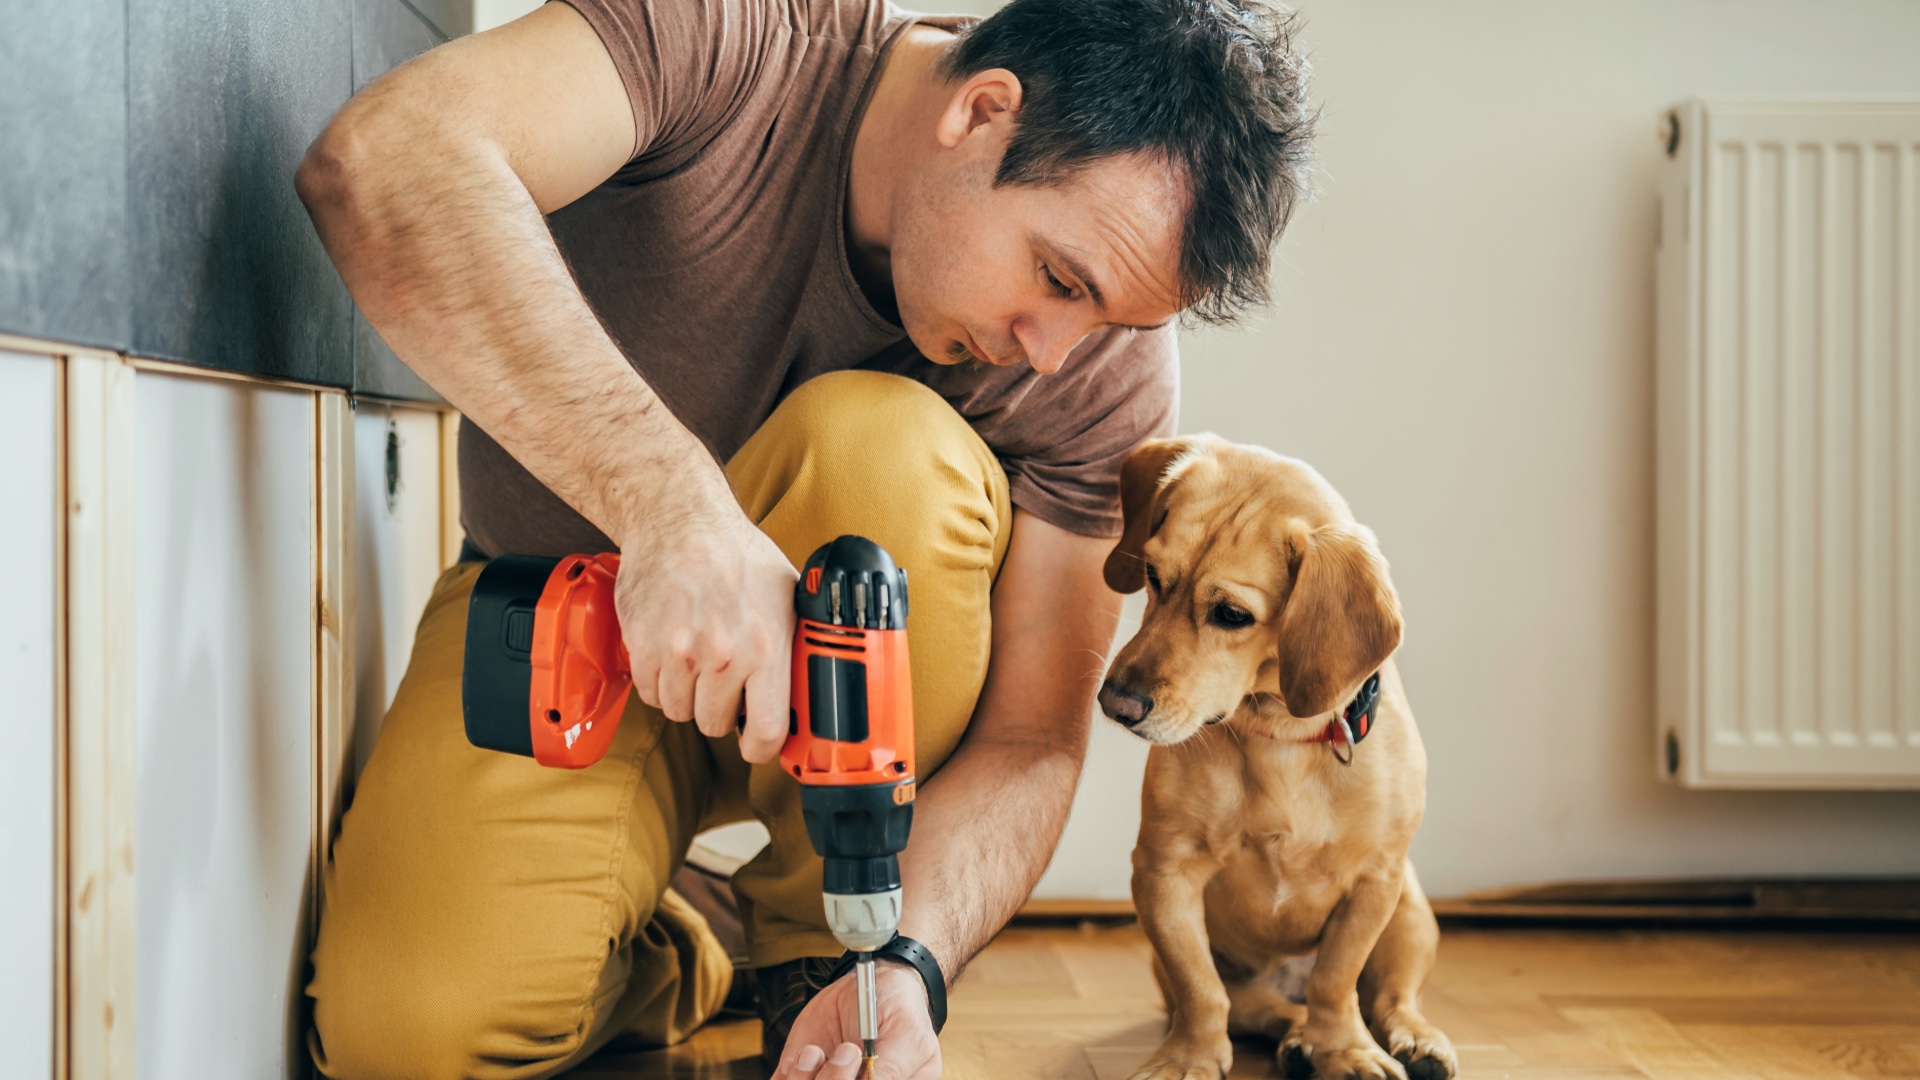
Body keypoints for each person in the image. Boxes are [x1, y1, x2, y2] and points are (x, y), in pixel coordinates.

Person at [294, 0, 1313, 1075]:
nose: (1052, 355)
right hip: (565, 616)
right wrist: (671, 509)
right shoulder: (730, 33)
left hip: (857, 744)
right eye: (1059, 280)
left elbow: (1030, 741)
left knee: (879, 445)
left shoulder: (1097, 370)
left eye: (1106, 320)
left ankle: (823, 953)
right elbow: (385, 162)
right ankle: (695, 937)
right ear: (982, 110)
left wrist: (908, 961)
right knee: (406, 1037)